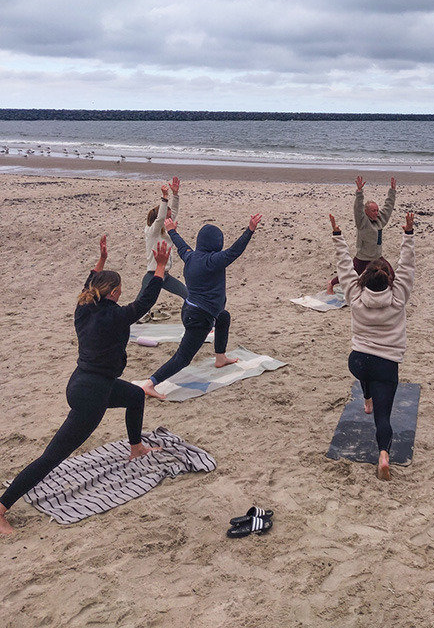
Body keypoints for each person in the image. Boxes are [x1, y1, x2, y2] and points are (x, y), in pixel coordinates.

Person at [0, 236, 169, 535]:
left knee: (134, 395)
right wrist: (159, 267)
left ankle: (136, 447)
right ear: (114, 293)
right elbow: (145, 302)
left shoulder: (84, 307)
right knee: (52, 456)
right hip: (92, 396)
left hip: (83, 383)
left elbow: (88, 283)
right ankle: (1, 506)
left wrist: (101, 261)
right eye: (120, 290)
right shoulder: (116, 316)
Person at [330, 209, 415, 481]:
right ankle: (383, 455)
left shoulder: (354, 295)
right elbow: (407, 265)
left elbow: (344, 265)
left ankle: (365, 398)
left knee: (363, 373)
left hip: (358, 361)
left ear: (364, 278)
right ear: (390, 279)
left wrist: (337, 235)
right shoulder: (399, 296)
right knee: (383, 417)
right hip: (385, 365)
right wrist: (408, 234)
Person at [141, 213, 263, 400]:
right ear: (217, 244)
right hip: (200, 318)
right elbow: (235, 251)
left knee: (224, 317)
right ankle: (150, 384)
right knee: (182, 358)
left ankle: (220, 358)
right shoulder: (214, 261)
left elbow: (181, 244)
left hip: (191, 310)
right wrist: (250, 230)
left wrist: (172, 230)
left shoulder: (191, 256)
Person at [327, 176, 397, 295]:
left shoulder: (380, 220)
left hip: (377, 257)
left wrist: (392, 191)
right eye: (373, 211)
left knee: (391, 274)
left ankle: (384, 291)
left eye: (377, 210)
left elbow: (388, 207)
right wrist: (359, 192)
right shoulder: (362, 222)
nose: (376, 213)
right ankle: (331, 284)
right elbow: (358, 209)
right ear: (366, 212)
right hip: (363, 258)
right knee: (348, 274)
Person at [137, 176, 188, 302]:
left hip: (165, 276)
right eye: (168, 215)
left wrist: (175, 194)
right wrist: (165, 197)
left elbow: (174, 211)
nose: (170, 218)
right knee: (139, 305)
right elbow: (160, 219)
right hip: (153, 275)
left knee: (188, 295)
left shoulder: (165, 231)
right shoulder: (152, 231)